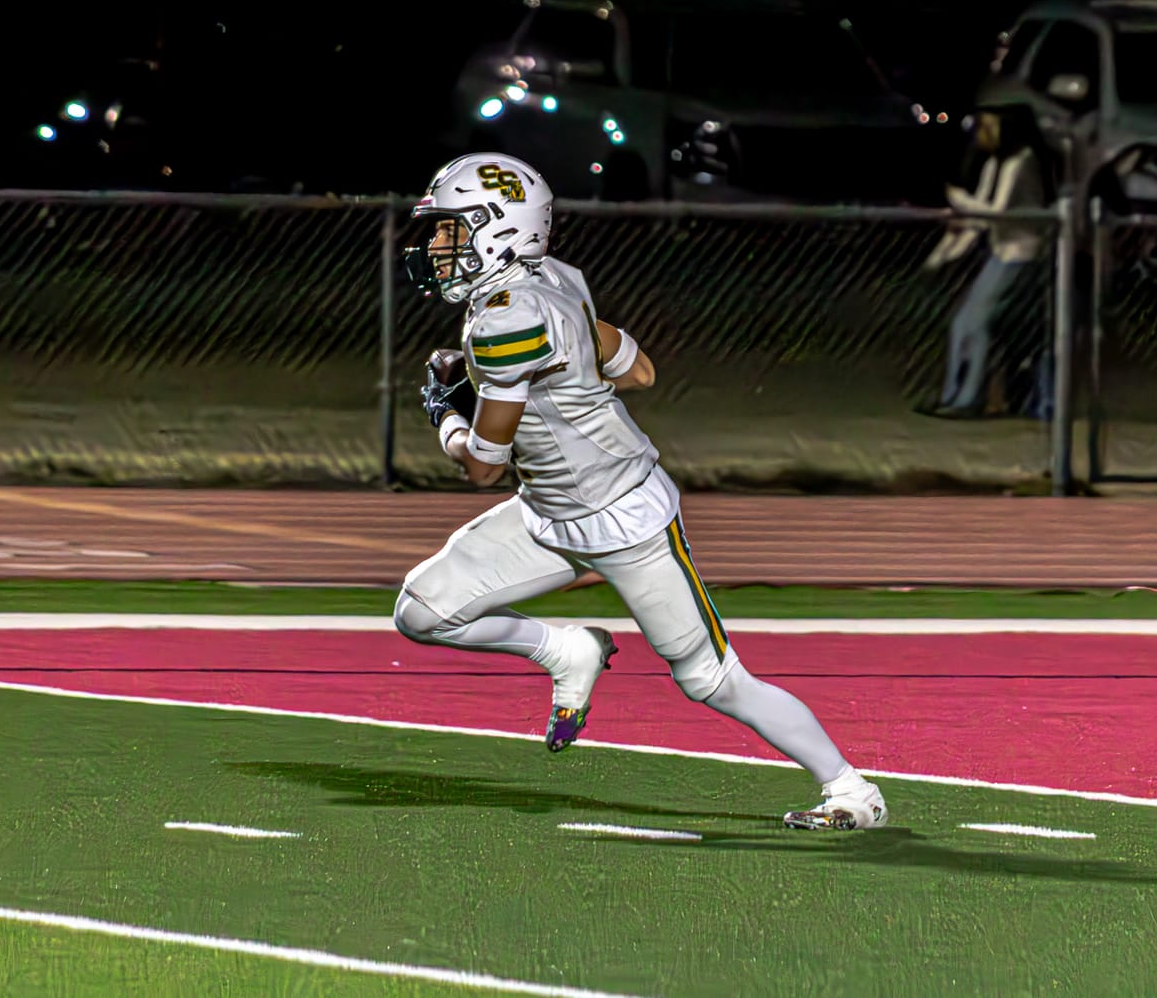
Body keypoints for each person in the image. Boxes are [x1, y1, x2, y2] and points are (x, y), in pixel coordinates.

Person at [395, 152, 889, 832]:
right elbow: (639, 370)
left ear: (499, 228)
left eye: (452, 229)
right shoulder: (554, 278)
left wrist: (446, 414)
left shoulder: (504, 320)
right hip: (549, 512)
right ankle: (565, 650)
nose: (438, 247)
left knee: (712, 680)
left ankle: (852, 790)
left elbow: (482, 465)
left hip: (623, 516)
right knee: (423, 610)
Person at [921, 108, 1055, 419]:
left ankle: (968, 398)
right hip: (1001, 252)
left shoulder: (1021, 161)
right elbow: (978, 218)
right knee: (963, 323)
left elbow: (996, 210)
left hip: (1020, 254)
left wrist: (960, 201)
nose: (983, 133)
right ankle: (953, 395)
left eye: (990, 126)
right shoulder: (995, 163)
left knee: (977, 322)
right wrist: (942, 255)